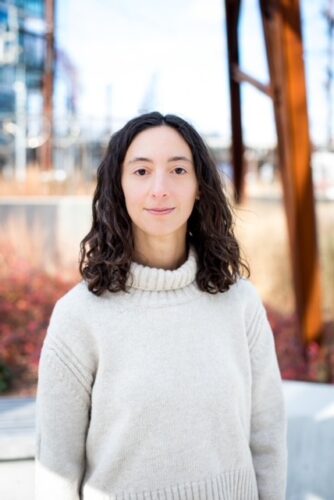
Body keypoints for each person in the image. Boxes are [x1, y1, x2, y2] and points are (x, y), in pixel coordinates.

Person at [35, 111, 287, 500]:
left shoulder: (240, 303)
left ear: (200, 186)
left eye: (178, 170)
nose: (160, 188)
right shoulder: (79, 316)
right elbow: (57, 470)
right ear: (118, 187)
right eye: (140, 171)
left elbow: (267, 437)